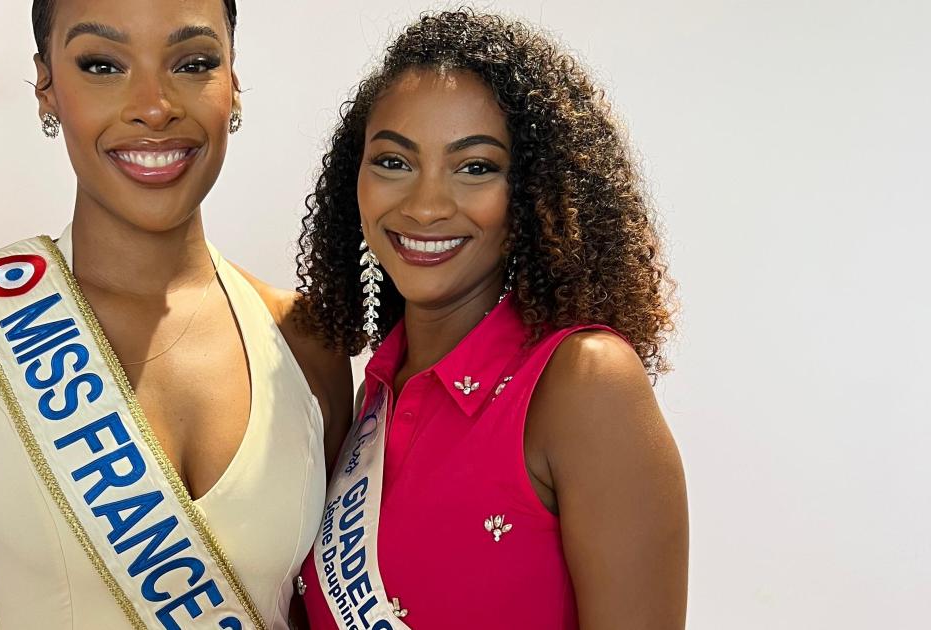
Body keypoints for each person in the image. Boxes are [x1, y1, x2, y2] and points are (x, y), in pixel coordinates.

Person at [0, 1, 352, 628]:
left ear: (233, 82)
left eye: (193, 63)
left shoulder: (306, 340)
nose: (154, 107)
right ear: (46, 87)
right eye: (103, 65)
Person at [293, 10, 687, 630]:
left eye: (475, 167)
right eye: (393, 161)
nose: (425, 206)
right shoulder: (374, 392)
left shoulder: (584, 384)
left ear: (533, 193)